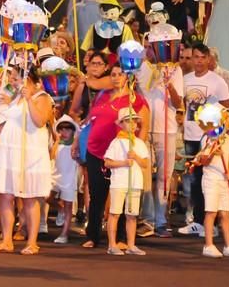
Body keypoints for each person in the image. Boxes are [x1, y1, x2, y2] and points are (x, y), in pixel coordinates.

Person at [72, 63, 150, 248]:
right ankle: (92, 235)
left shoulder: (136, 100)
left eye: (119, 74)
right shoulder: (102, 96)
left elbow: (144, 126)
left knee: (121, 193)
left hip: (121, 155)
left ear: (127, 77)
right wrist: (77, 140)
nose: (115, 77)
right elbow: (89, 120)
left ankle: (122, 238)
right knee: (96, 194)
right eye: (113, 74)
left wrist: (138, 149)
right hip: (95, 150)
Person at [0, 65, 53, 255]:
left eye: (16, 78)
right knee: (6, 195)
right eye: (13, 79)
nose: (13, 82)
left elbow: (39, 121)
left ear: (29, 80)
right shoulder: (17, 97)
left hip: (29, 152)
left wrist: (28, 99)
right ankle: (6, 239)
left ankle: (32, 241)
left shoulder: (42, 98)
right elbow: (14, 120)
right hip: (10, 151)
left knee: (30, 197)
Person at [179, 43, 229, 236]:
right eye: (196, 57)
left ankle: (211, 223)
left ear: (208, 58)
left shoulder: (217, 81)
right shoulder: (185, 79)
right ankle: (199, 221)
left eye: (202, 57)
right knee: (194, 180)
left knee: (208, 180)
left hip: (208, 139)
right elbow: (180, 104)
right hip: (190, 135)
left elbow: (227, 107)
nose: (199, 61)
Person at [136, 52, 183, 238]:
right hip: (144, 127)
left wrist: (168, 84)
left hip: (167, 129)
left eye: (152, 46)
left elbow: (178, 102)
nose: (149, 50)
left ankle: (161, 221)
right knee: (145, 176)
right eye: (146, 46)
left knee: (165, 175)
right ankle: (147, 220)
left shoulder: (174, 69)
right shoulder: (139, 66)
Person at [196, 109, 229, 259]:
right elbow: (203, 161)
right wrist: (211, 155)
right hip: (211, 180)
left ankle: (228, 245)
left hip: (223, 181)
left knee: (225, 213)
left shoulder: (225, 140)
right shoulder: (207, 139)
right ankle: (208, 245)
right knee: (211, 212)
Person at [104, 108, 150, 256]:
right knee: (115, 213)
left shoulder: (139, 143)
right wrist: (123, 163)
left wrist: (135, 157)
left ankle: (131, 245)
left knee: (132, 215)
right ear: (122, 124)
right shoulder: (116, 142)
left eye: (134, 121)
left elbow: (145, 163)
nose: (133, 124)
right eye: (129, 121)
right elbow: (107, 163)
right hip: (119, 182)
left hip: (135, 183)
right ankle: (112, 245)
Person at [50, 115, 79, 244]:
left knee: (68, 206)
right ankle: (59, 208)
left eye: (68, 129)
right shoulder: (57, 143)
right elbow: (51, 156)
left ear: (73, 131)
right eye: (61, 129)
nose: (64, 132)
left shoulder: (75, 145)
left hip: (69, 178)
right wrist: (56, 141)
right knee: (46, 196)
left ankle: (64, 233)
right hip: (55, 176)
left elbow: (80, 159)